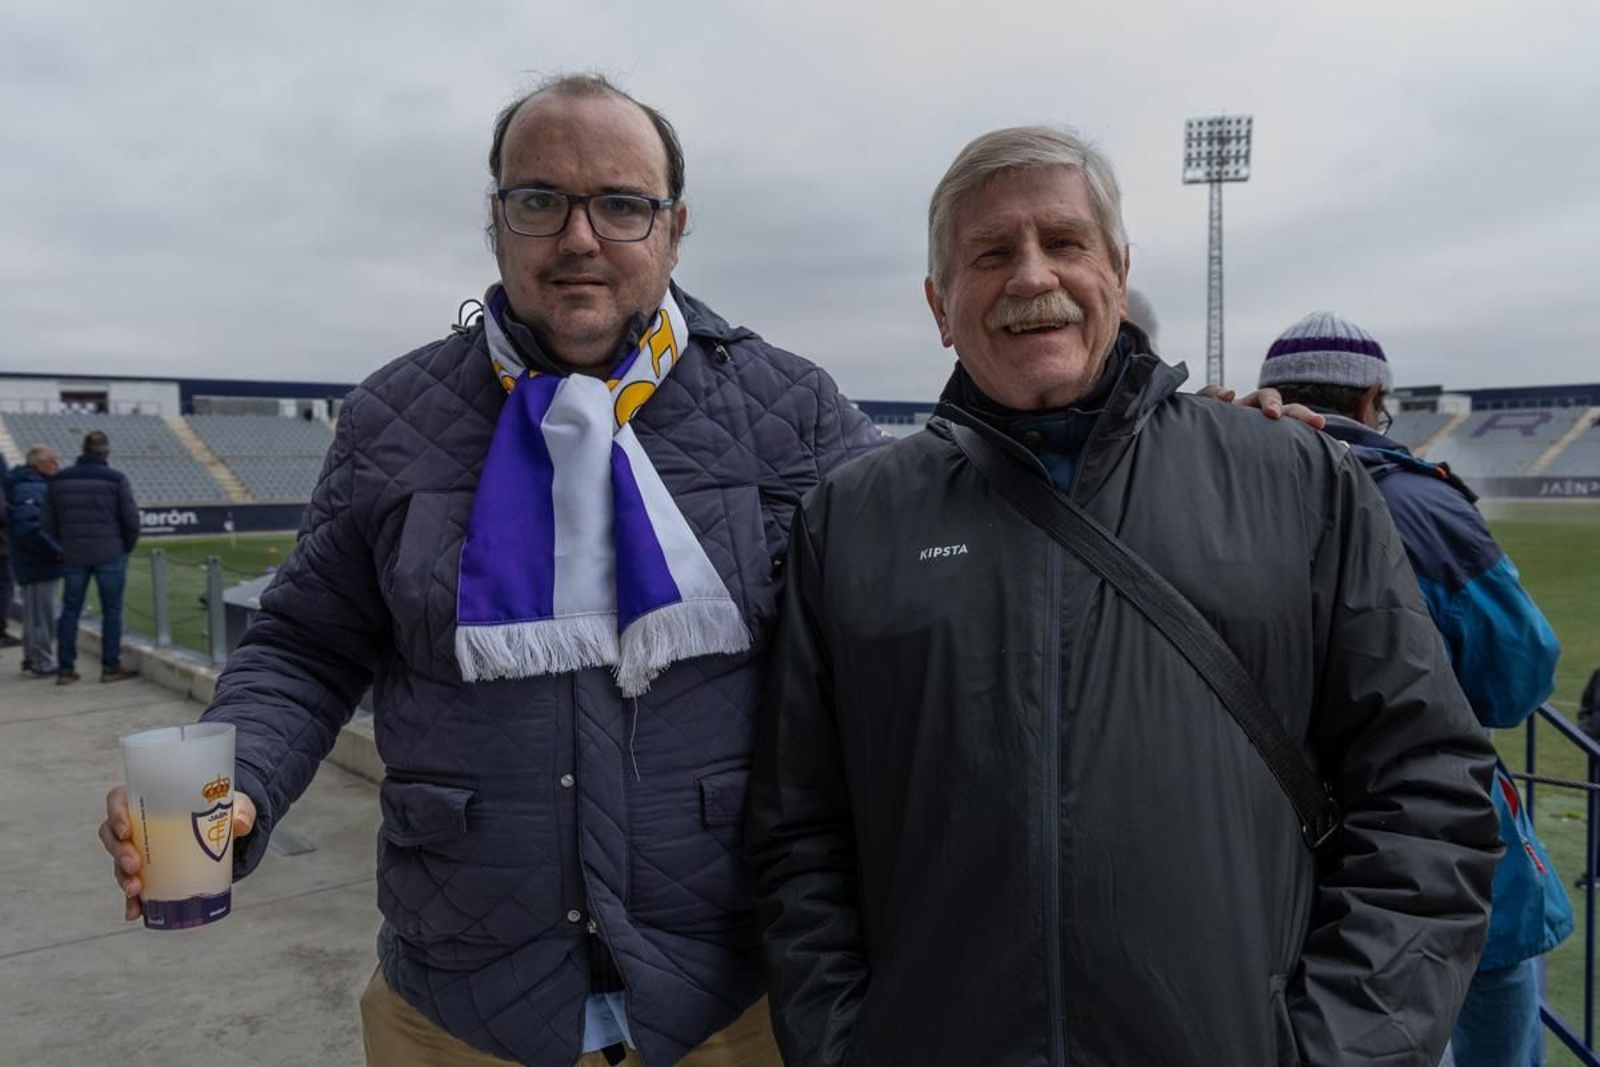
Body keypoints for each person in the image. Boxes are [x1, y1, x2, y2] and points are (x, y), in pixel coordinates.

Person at [99, 74, 886, 1067]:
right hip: (461, 1006)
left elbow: (916, 617)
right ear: (496, 220)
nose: (580, 237)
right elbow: (304, 644)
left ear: (674, 229)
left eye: (622, 204)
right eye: (539, 200)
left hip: (730, 1000)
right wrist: (241, 778)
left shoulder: (792, 409)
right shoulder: (394, 417)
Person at [747, 126, 1504, 1067]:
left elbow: (1427, 788)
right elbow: (801, 836)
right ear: (940, 306)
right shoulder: (850, 522)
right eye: (990, 252)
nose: (1032, 277)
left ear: (1117, 270)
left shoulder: (1296, 480)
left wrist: (1335, 1051)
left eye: (1063, 242)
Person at [1260, 311, 1570, 1067]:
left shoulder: (1216, 488)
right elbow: (1516, 677)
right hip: (1443, 854)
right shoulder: (1421, 504)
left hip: (1271, 865)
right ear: (1371, 398)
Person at [45, 430, 139, 684]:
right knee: (112, 611)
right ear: (107, 452)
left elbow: (48, 523)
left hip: (73, 555)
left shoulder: (59, 480)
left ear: (83, 451)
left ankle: (65, 669)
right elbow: (131, 520)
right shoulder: (116, 478)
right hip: (109, 553)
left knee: (70, 611)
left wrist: (62, 548)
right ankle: (110, 667)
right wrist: (124, 547)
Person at [3, 446, 64, 677]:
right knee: (42, 615)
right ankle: (41, 661)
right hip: (38, 562)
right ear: (40, 464)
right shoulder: (30, 488)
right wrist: (56, 551)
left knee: (35, 614)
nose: (57, 466)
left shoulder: (27, 485)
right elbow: (30, 529)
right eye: (53, 462)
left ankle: (32, 657)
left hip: (33, 562)